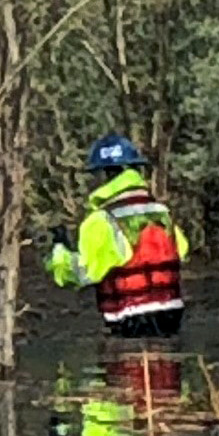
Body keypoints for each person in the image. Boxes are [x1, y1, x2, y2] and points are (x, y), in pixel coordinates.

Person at [45, 135, 186, 338]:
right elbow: (182, 250)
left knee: (125, 367)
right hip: (171, 313)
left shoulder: (100, 220)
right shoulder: (160, 212)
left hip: (129, 319)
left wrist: (59, 251)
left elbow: (82, 273)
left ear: (104, 175)